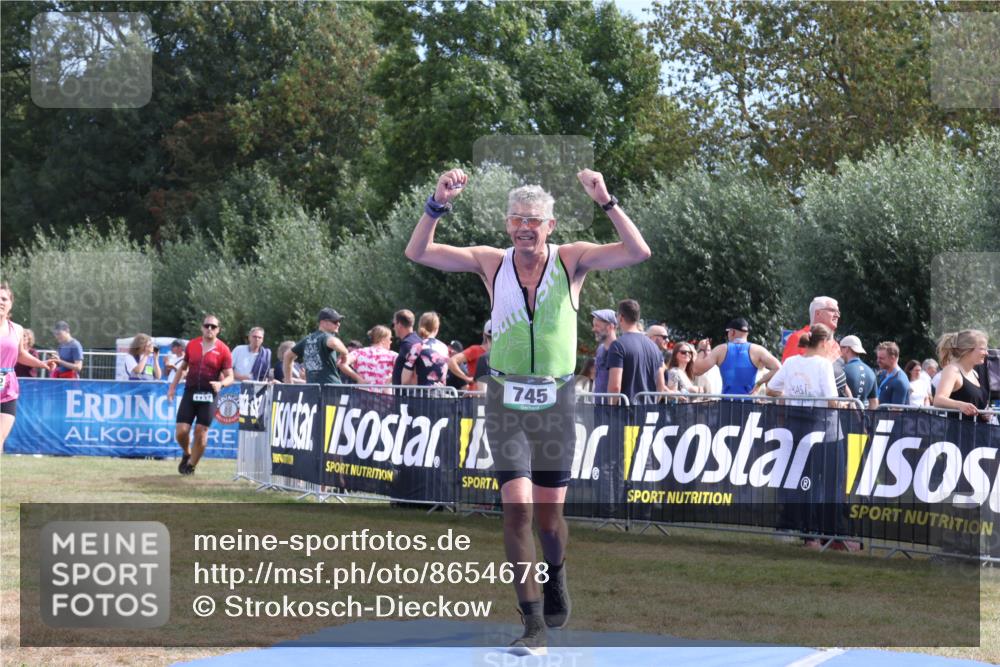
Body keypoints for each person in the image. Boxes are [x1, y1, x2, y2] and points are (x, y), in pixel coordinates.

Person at [405, 167, 650, 655]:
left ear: (550, 226)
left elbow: (637, 251)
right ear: (506, 224)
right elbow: (419, 252)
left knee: (548, 521)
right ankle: (532, 622)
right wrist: (437, 203)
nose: (524, 227)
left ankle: (555, 572)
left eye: (533, 220)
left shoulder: (572, 260)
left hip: (556, 401)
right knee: (516, 511)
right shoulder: (491, 263)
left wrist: (605, 200)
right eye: (517, 219)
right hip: (505, 399)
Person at [166, 314, 234, 475]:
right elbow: (183, 368)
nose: (209, 328)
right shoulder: (192, 344)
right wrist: (172, 388)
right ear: (202, 328)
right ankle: (187, 453)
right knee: (181, 431)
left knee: (201, 432)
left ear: (218, 330)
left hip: (209, 395)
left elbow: (231, 377)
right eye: (207, 325)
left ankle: (191, 466)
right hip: (190, 392)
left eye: (213, 326)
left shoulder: (224, 349)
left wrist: (221, 384)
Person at [0, 284, 57, 449]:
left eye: (4, 299)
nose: (0, 302)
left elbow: (20, 354)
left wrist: (42, 364)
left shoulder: (17, 329)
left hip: (7, 388)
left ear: (11, 304)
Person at [693, 318, 781, 396]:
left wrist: (702, 350)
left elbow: (697, 370)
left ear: (732, 332)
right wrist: (759, 383)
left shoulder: (720, 350)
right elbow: (778, 367)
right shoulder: (758, 350)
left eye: (728, 332)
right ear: (747, 334)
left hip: (727, 403)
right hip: (750, 402)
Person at [766, 323, 840, 408]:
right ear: (824, 342)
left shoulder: (789, 362)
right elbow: (833, 402)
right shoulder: (824, 364)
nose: (831, 348)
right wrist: (843, 404)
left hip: (791, 415)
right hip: (816, 416)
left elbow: (770, 390)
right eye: (831, 344)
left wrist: (787, 397)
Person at [607, 299, 666, 403]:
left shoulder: (618, 345)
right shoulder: (655, 347)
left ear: (620, 317)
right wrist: (652, 404)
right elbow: (661, 386)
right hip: (650, 409)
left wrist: (610, 409)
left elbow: (615, 387)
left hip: (625, 410)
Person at [284, 308, 361, 386]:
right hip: (331, 387)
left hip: (313, 388)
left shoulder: (307, 339)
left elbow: (287, 355)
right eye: (335, 321)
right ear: (323, 322)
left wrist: (288, 382)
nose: (338, 324)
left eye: (339, 321)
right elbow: (334, 343)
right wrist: (345, 353)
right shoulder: (326, 336)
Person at [933, 329, 991, 421]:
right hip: (958, 429)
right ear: (967, 350)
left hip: (977, 429)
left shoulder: (975, 373)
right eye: (983, 349)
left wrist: (985, 414)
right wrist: (960, 405)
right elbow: (938, 400)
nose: (986, 353)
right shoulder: (952, 370)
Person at [402, 312, 450, 387]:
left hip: (421, 392)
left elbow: (405, 380)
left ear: (420, 326)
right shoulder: (445, 348)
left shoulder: (417, 347)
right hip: (441, 392)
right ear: (436, 328)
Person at [447, 321, 492, 391]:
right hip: (477, 394)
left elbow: (451, 361)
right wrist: (466, 378)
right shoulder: (475, 350)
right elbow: (452, 361)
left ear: (484, 335)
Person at [353, 325, 398, 391]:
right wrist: (390, 380)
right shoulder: (393, 355)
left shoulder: (360, 352)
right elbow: (403, 367)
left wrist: (358, 378)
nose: (391, 341)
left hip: (363, 394)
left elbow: (341, 363)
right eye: (390, 338)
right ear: (383, 339)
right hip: (384, 394)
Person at [839, 335, 878, 409]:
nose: (840, 353)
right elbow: (874, 403)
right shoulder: (871, 372)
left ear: (847, 349)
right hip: (861, 415)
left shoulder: (842, 370)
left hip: (842, 415)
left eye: (841, 349)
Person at [391, 309, 422, 387]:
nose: (393, 328)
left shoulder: (408, 344)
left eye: (394, 324)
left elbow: (416, 369)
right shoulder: (415, 341)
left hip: (407, 393)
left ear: (399, 324)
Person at [590, 309, 618, 396]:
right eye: (593, 325)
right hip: (598, 402)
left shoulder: (619, 350)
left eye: (597, 326)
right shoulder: (600, 349)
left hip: (612, 403)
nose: (593, 329)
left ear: (610, 327)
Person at [875, 341, 911, 406]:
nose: (878, 361)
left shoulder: (899, 381)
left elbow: (897, 410)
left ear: (892, 358)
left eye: (881, 358)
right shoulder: (883, 374)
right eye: (877, 357)